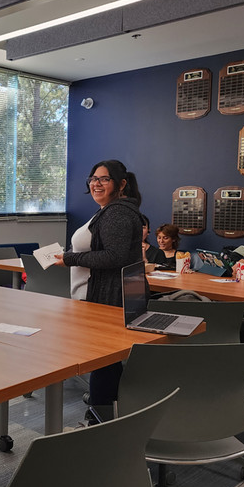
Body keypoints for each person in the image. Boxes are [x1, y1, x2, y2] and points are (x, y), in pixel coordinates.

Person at [53, 159, 145, 405]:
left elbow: (115, 256)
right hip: (101, 295)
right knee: (108, 363)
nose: (96, 184)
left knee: (104, 362)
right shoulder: (109, 211)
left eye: (104, 179)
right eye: (93, 178)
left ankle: (98, 419)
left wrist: (69, 258)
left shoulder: (117, 213)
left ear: (121, 184)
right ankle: (107, 417)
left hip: (106, 297)